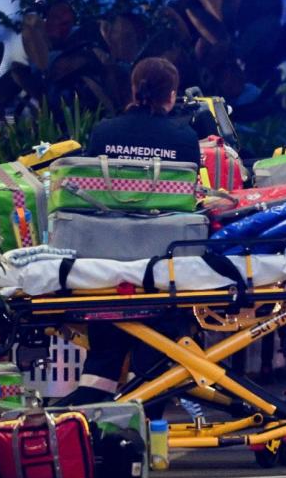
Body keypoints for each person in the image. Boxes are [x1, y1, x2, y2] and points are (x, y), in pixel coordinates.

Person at [60, 57, 202, 408]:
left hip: (107, 265)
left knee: (104, 357)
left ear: (133, 88)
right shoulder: (184, 138)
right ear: (171, 95)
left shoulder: (105, 133)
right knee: (156, 352)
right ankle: (148, 409)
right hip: (163, 266)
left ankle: (92, 415)